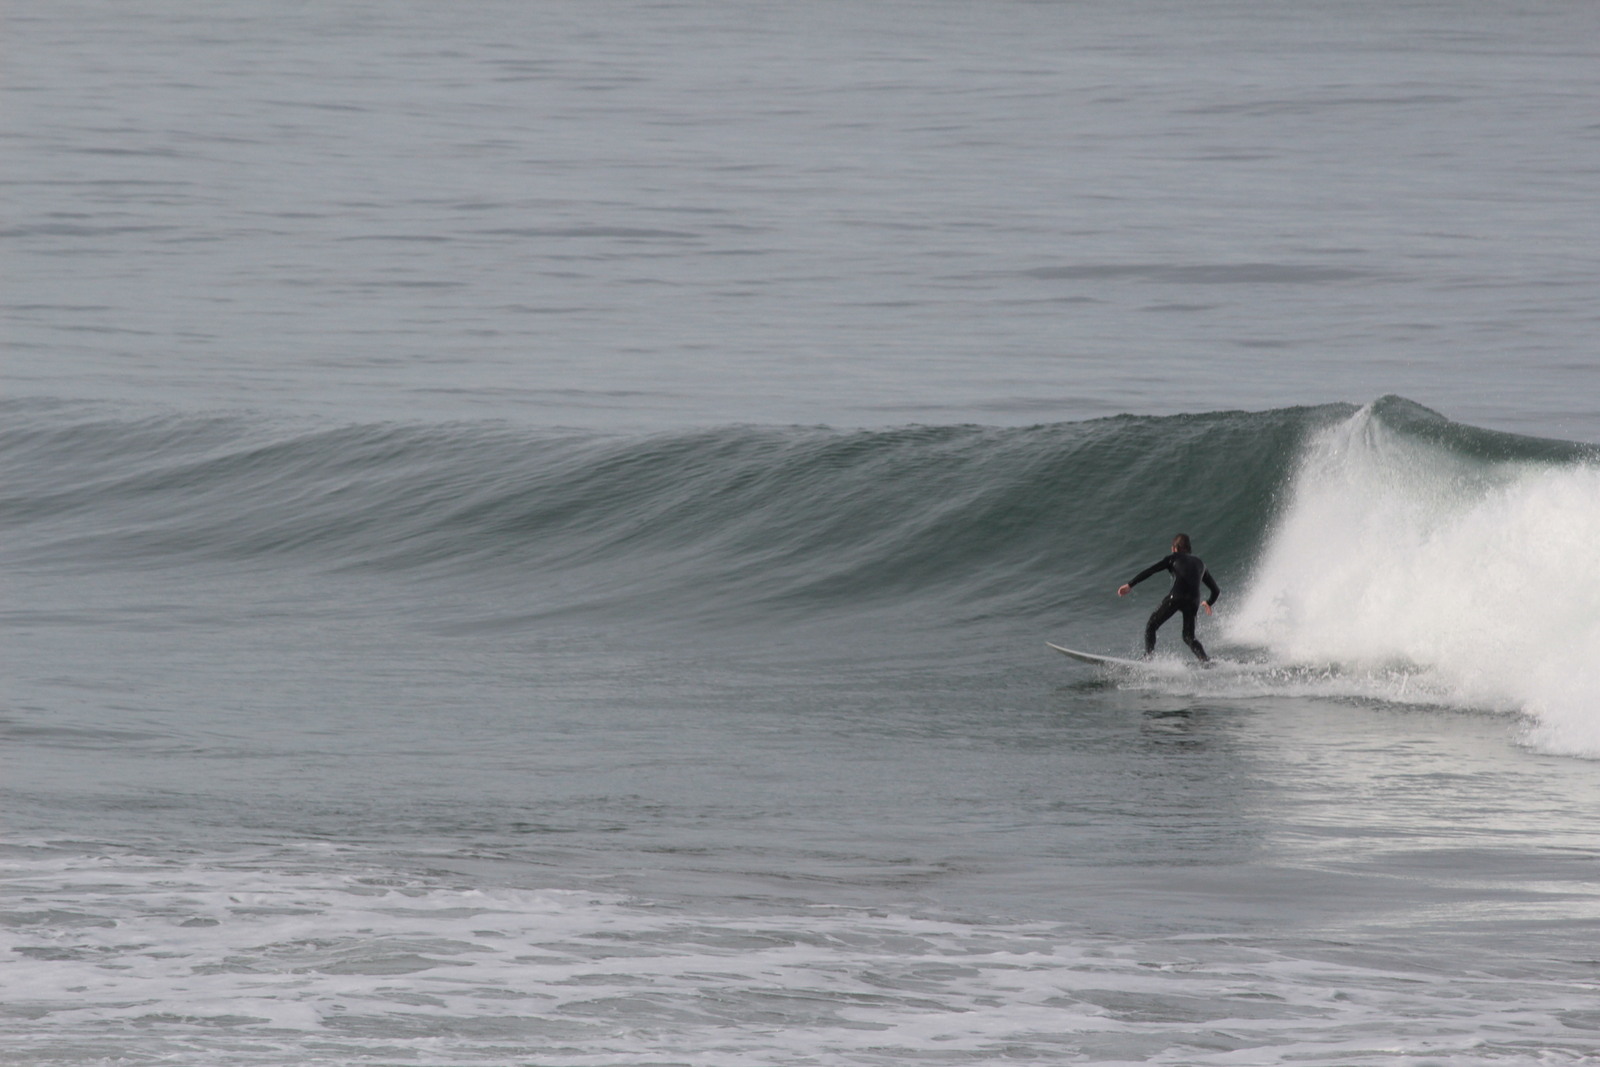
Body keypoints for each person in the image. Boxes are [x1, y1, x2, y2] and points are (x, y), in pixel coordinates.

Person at [1117, 533, 1219, 662]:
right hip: (1193, 601)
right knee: (1189, 637)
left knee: (1151, 625)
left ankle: (1148, 658)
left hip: (1176, 596)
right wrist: (1209, 602)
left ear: (1175, 548)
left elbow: (1151, 570)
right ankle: (1205, 661)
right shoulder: (1201, 564)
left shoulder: (1173, 558)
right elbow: (1216, 590)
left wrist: (1130, 584)